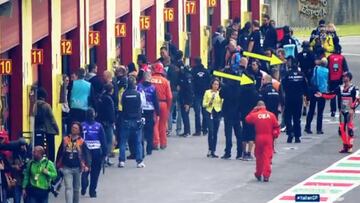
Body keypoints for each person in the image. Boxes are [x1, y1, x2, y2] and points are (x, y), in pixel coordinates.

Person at [316, 72, 359, 153]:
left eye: (345, 77)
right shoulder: (340, 88)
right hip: (342, 111)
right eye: (343, 77)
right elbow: (331, 94)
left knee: (350, 129)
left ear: (349, 78)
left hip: (350, 111)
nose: (344, 78)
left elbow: (358, 99)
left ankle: (350, 146)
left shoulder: (354, 88)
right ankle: (345, 145)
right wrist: (322, 95)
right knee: (341, 129)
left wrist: (352, 108)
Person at [245, 101, 280, 182]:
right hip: (268, 137)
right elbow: (276, 126)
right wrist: (275, 134)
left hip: (259, 137)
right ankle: (266, 175)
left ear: (257, 106)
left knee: (259, 157)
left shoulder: (256, 115)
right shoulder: (271, 115)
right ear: (265, 106)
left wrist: (253, 110)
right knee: (267, 157)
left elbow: (247, 119)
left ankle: (258, 173)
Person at [56, 122, 88, 203]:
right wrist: (58, 165)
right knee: (68, 188)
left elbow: (86, 154)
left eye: (76, 128)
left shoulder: (81, 141)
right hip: (67, 167)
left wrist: (87, 165)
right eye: (73, 127)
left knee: (76, 189)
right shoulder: (65, 139)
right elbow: (60, 153)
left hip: (77, 168)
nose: (74, 129)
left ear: (79, 130)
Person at [118, 76, 146, 168]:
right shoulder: (138, 94)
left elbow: (121, 104)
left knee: (123, 141)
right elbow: (142, 105)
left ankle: (122, 161)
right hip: (136, 119)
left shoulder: (124, 94)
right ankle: (139, 161)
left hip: (126, 119)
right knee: (138, 141)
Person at [81, 108, 107, 198]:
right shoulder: (99, 126)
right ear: (94, 115)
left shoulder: (82, 125)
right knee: (95, 172)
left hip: (85, 151)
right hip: (96, 151)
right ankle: (92, 191)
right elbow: (103, 140)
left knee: (85, 170)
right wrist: (105, 153)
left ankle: (84, 185)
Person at [281, 57, 308, 143]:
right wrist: (307, 97)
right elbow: (305, 87)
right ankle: (297, 136)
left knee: (287, 117)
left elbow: (283, 85)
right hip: (298, 98)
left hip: (289, 98)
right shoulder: (301, 74)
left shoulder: (287, 74)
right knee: (297, 118)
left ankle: (290, 133)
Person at [33, 87, 59, 162]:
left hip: (38, 128)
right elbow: (52, 119)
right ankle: (51, 161)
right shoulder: (46, 106)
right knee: (51, 148)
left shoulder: (34, 105)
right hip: (49, 130)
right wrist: (57, 129)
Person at [137, 72, 160, 155]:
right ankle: (149, 149)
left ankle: (141, 150)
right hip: (150, 111)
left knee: (141, 131)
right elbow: (155, 101)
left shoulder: (139, 86)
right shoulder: (153, 88)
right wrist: (158, 113)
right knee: (150, 131)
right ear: (149, 78)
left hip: (141, 111)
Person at [305, 58, 329, 134]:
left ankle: (307, 127)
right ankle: (319, 129)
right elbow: (328, 81)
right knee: (320, 112)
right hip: (323, 92)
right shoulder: (327, 71)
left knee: (311, 110)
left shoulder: (315, 69)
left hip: (314, 91)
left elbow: (311, 79)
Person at [151, 63, 173, 148]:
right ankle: (163, 143)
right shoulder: (165, 81)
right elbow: (170, 97)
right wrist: (168, 107)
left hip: (153, 104)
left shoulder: (150, 80)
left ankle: (155, 142)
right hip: (164, 104)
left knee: (155, 123)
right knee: (163, 124)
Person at [203, 78, 223, 158]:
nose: (216, 86)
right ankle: (210, 149)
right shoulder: (207, 92)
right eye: (214, 84)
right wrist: (209, 102)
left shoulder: (220, 93)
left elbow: (221, 103)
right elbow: (204, 104)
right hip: (209, 111)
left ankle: (213, 150)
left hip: (217, 112)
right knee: (211, 131)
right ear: (212, 84)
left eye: (217, 84)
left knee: (215, 132)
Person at [97, 83, 115, 166]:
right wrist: (113, 121)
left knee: (102, 141)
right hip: (108, 123)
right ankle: (105, 158)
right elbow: (111, 112)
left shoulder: (100, 98)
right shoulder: (109, 99)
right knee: (108, 142)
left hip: (100, 122)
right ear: (111, 90)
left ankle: (102, 158)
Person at [192, 57, 211, 136]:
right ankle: (205, 129)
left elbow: (191, 83)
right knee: (205, 112)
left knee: (197, 113)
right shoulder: (206, 71)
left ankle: (198, 130)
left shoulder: (193, 71)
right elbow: (210, 82)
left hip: (197, 94)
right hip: (205, 94)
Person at [328, 45, 349, 117]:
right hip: (339, 79)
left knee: (332, 95)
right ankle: (340, 109)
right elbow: (346, 70)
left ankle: (333, 111)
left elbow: (327, 68)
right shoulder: (342, 58)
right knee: (340, 96)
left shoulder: (330, 57)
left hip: (331, 79)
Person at [178, 60, 193, 137]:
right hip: (182, 98)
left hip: (186, 100)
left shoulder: (187, 77)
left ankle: (187, 131)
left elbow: (189, 91)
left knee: (185, 115)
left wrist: (188, 103)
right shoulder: (182, 76)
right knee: (184, 116)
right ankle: (186, 131)